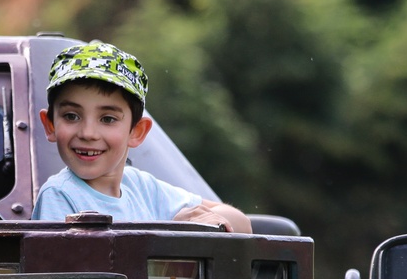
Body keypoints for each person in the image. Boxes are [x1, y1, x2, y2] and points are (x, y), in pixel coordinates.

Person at [31, 41, 252, 232]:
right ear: (50, 125)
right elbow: (73, 275)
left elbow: (241, 223)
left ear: (137, 131)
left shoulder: (142, 187)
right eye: (71, 116)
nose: (88, 133)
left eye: (107, 119)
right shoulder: (59, 195)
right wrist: (168, 233)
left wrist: (198, 222)